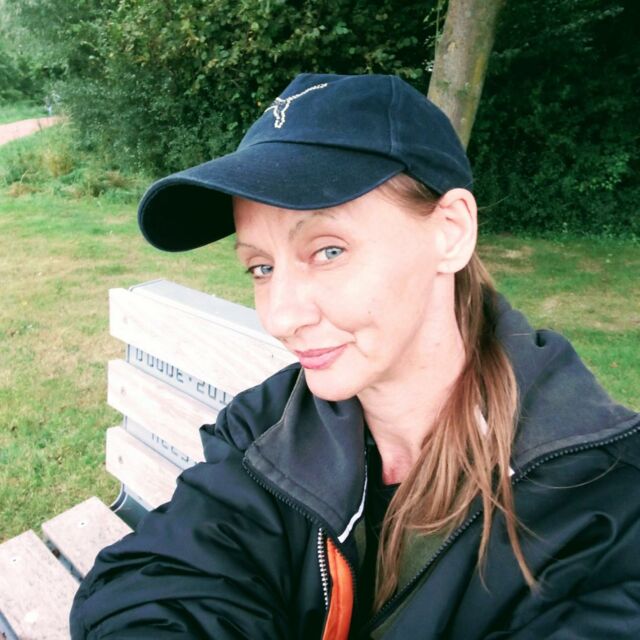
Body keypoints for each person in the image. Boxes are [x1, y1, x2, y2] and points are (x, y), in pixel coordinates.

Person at [70, 73, 640, 639]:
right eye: (261, 267)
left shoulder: (603, 506)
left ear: (450, 232)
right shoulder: (270, 428)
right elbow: (162, 580)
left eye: (328, 251)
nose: (281, 317)